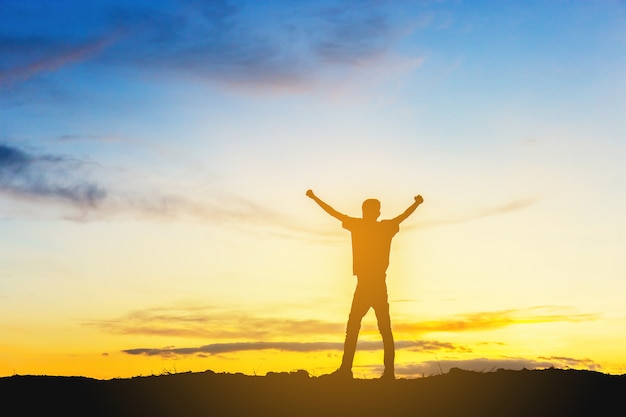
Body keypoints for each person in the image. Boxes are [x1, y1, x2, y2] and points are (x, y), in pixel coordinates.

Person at [306, 189, 424, 380]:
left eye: (367, 210)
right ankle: (374, 372)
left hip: (371, 284)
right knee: (379, 329)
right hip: (372, 285)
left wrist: (314, 198)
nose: (366, 213)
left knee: (362, 328)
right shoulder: (381, 226)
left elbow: (334, 213)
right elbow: (402, 217)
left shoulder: (361, 225)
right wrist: (416, 204)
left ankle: (356, 371)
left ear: (372, 212)